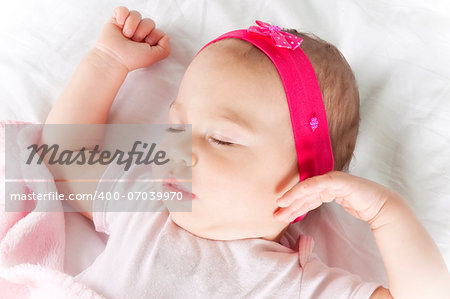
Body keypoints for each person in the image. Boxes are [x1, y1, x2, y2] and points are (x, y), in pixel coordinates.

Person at [41, 6, 449, 298]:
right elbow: (63, 160)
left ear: (303, 185)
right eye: (175, 126)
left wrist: (386, 213)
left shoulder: (296, 284)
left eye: (221, 138)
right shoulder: (145, 211)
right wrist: (106, 61)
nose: (178, 149)